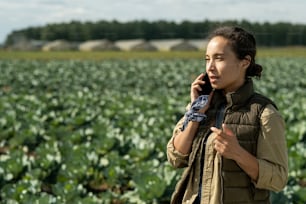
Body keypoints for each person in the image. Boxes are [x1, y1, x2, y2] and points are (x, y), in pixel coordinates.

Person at [166, 26, 288, 204]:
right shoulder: (201, 106)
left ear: (245, 62)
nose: (210, 68)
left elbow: (278, 178)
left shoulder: (264, 114)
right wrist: (195, 113)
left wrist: (238, 153)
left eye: (219, 58)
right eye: (207, 59)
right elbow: (175, 157)